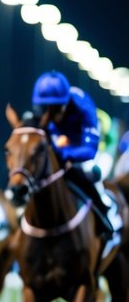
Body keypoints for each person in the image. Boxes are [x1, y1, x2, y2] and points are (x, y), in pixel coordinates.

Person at [32, 70, 116, 237]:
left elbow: (90, 150)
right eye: (45, 109)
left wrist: (64, 155)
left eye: (54, 109)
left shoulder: (83, 106)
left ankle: (105, 213)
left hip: (82, 147)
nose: (49, 115)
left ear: (65, 103)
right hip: (61, 147)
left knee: (90, 172)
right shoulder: (45, 111)